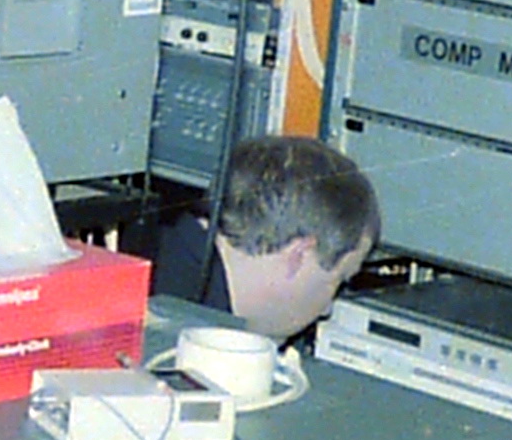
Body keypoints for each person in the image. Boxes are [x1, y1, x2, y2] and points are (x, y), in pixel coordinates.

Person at [151, 135, 379, 345]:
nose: (326, 310)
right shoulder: (181, 342)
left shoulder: (157, 254)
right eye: (340, 279)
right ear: (299, 255)